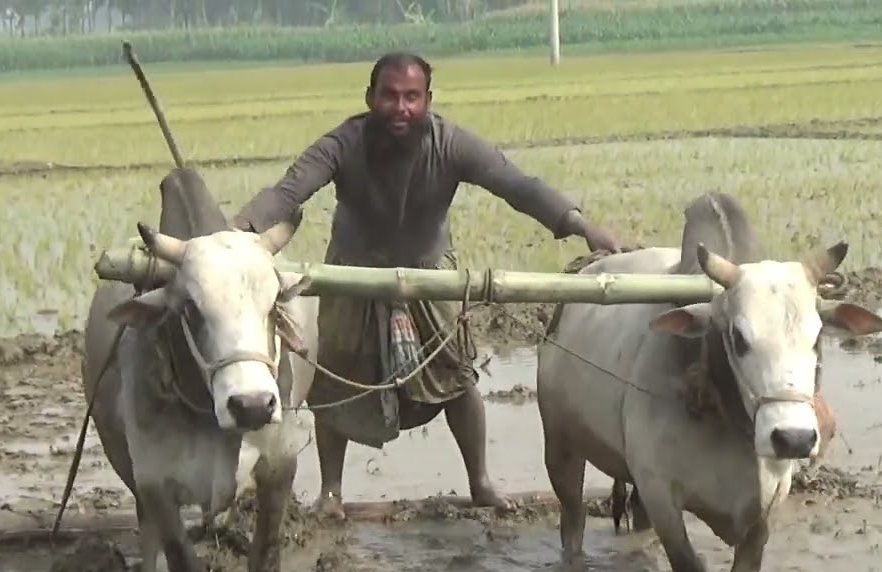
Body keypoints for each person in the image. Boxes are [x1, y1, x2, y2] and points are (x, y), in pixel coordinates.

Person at [232, 51, 624, 519]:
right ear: (370, 99)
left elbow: (515, 184)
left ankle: (479, 481)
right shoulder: (344, 143)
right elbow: (289, 191)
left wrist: (578, 223)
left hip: (429, 274)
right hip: (355, 276)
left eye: (412, 98)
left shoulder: (450, 143)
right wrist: (239, 229)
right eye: (390, 96)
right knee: (332, 385)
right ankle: (331, 493)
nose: (401, 108)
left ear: (428, 101)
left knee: (457, 379)